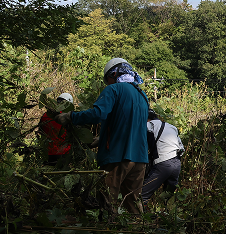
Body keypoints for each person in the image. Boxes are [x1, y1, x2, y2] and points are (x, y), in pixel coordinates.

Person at [55, 58, 149, 214]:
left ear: (113, 74)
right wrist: (102, 138)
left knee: (106, 201)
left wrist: (71, 116)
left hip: (118, 156)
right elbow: (130, 125)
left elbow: (98, 114)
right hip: (139, 158)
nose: (107, 84)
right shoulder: (142, 95)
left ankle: (104, 233)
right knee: (133, 204)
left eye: (107, 80)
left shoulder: (114, 90)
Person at [141, 110, 184, 204]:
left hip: (163, 164)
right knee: (168, 199)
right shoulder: (172, 127)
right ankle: (167, 216)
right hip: (177, 164)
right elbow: (181, 148)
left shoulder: (149, 125)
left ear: (147, 119)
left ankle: (139, 218)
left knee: (142, 195)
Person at [39, 92, 74, 167]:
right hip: (64, 153)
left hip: (48, 153)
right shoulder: (67, 117)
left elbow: (40, 131)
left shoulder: (45, 116)